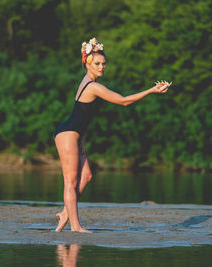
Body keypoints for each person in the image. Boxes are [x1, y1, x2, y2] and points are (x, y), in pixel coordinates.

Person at [53, 37, 170, 233]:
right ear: (87, 63)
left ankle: (66, 212)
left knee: (87, 176)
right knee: (71, 182)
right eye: (97, 63)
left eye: (104, 63)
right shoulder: (93, 86)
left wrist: (82, 140)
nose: (102, 67)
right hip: (67, 134)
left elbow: (83, 117)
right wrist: (151, 90)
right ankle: (75, 226)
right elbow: (123, 101)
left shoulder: (89, 82)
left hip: (77, 135)